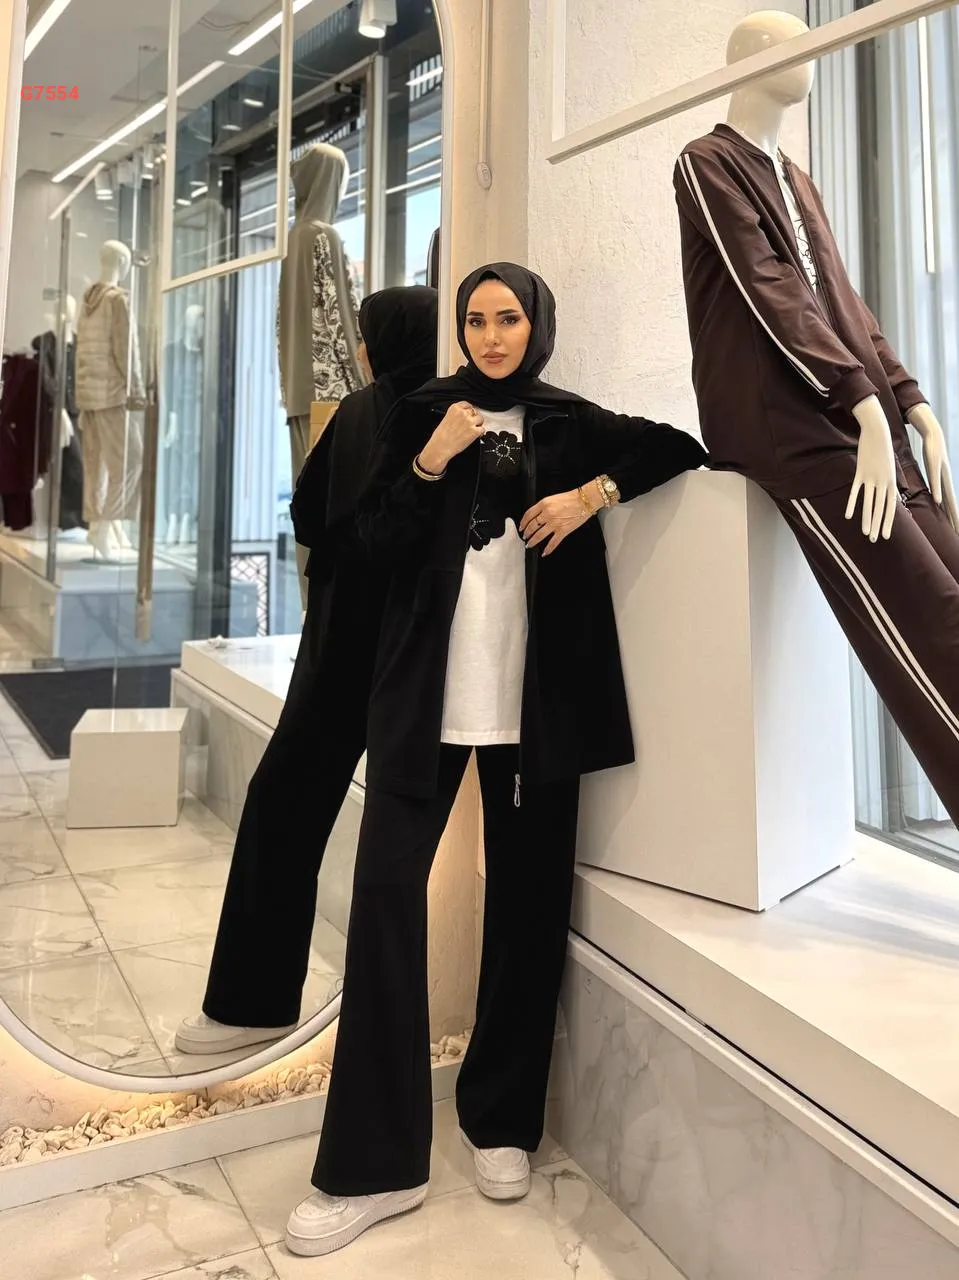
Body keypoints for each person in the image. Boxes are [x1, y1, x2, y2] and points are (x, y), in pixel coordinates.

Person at [284, 262, 708, 1257]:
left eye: (508, 317)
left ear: (536, 325)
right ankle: (374, 1165)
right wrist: (429, 465)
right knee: (383, 911)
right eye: (474, 318)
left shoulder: (566, 421)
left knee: (526, 913)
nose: (490, 334)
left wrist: (591, 495)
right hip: (420, 711)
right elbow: (363, 546)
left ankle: (502, 1121)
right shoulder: (419, 414)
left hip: (533, 713)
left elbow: (677, 445)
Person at [174, 286, 439, 1056]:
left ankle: (250, 1006)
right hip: (415, 651)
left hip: (342, 649)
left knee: (282, 812)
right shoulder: (443, 413)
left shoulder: (362, 412)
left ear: (380, 343)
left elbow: (308, 516)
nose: (357, 348)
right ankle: (389, 1036)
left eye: (365, 334)